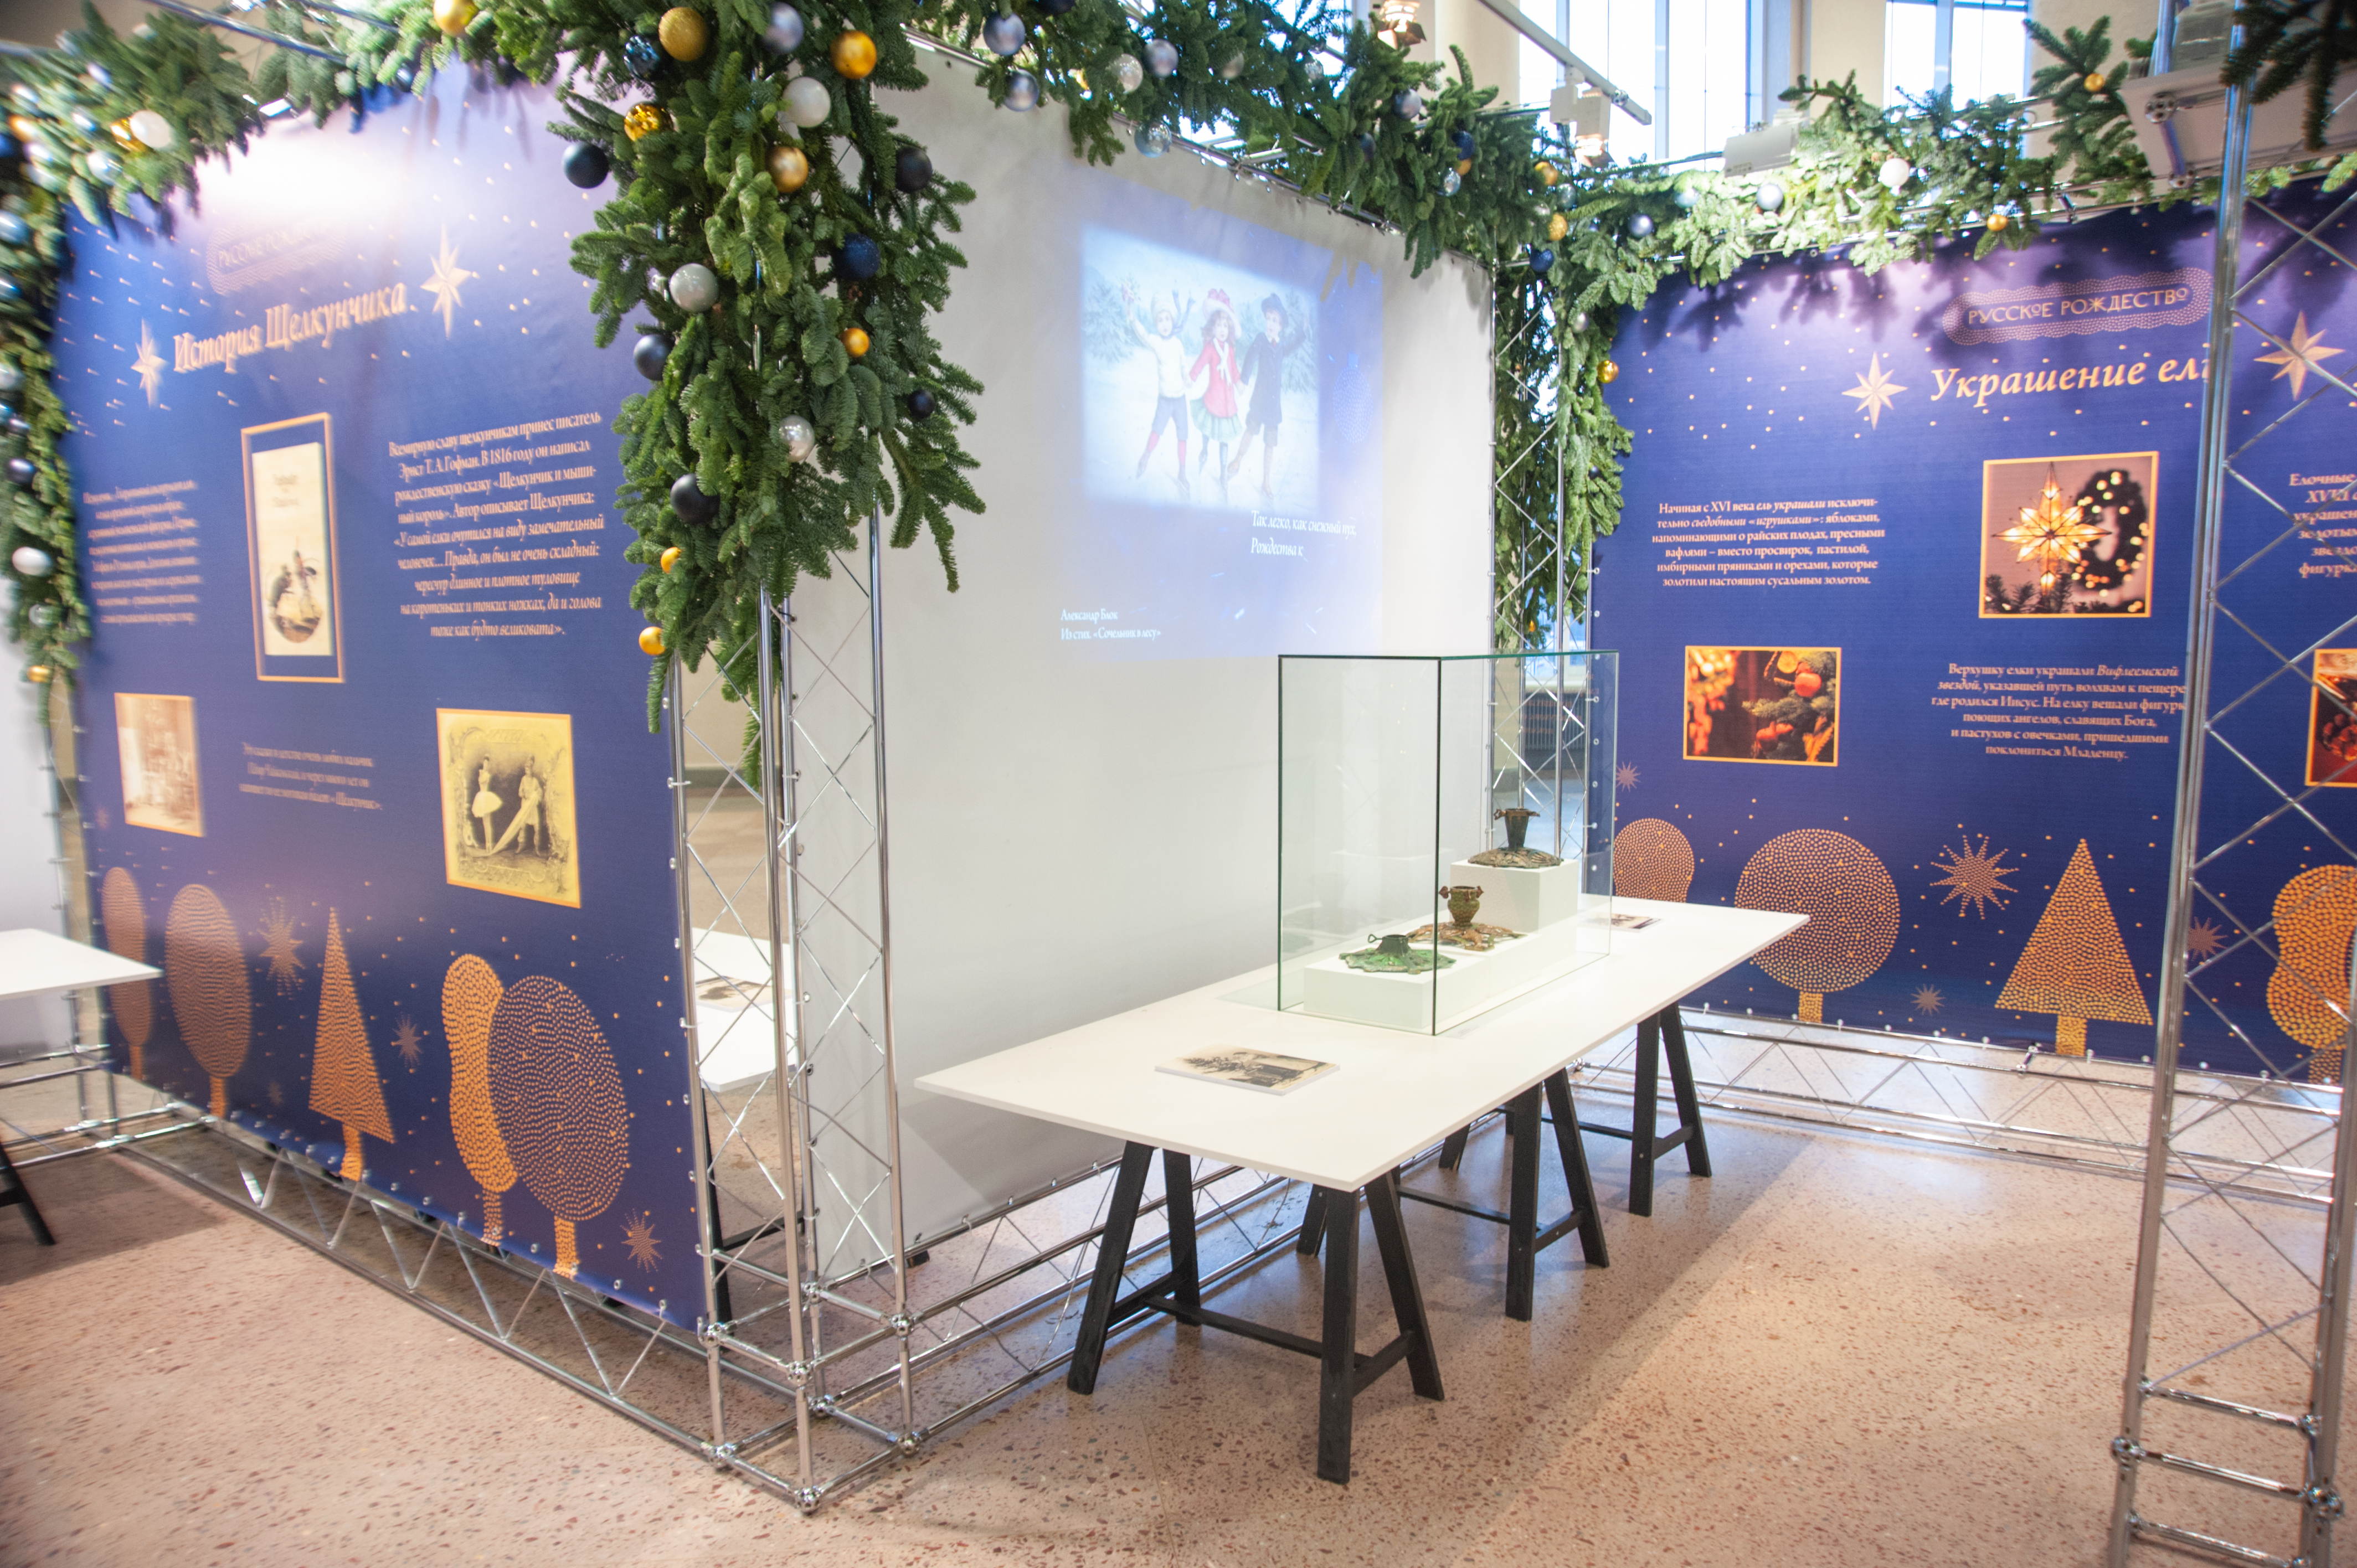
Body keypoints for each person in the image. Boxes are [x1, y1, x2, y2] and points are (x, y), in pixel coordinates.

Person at [1229, 295, 1305, 504]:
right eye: (1269, 319)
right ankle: (1237, 460)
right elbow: (1250, 358)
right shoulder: (1261, 340)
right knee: (1250, 430)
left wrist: (1303, 332)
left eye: (1275, 321)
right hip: (1260, 400)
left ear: (1281, 326)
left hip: (1273, 405)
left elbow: (1293, 345)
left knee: (1270, 443)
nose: (1271, 324)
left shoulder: (1281, 346)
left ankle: (1266, 482)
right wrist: (1244, 380)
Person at [1122, 283, 1195, 497]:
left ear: (1173, 321)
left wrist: (1187, 377)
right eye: (1160, 320)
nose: (1164, 324)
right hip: (1165, 400)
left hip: (1180, 399)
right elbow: (1142, 333)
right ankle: (1145, 457)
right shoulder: (1156, 342)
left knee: (1183, 436)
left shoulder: (1178, 344)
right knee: (1157, 430)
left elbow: (1183, 365)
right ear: (1156, 323)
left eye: (1168, 319)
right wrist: (1131, 312)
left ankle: (1182, 472)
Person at [1188, 292, 1243, 502]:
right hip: (1213, 401)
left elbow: (1234, 370)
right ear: (1213, 327)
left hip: (1228, 405)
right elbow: (1200, 364)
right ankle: (1204, 451)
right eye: (1219, 325)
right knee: (1208, 431)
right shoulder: (1211, 348)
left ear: (1229, 330)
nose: (1222, 330)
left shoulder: (1230, 350)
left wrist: (1239, 383)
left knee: (1224, 440)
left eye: (1226, 326)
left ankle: (1223, 474)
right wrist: (1191, 377)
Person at [470, 761, 502, 852]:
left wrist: (482, 773)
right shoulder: (482, 773)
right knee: (485, 823)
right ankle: (487, 844)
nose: (485, 765)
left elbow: (482, 781)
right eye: (484, 764)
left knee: (488, 823)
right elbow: (480, 781)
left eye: (487, 764)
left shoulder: (487, 775)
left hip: (486, 798)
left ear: (489, 766)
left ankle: (490, 844)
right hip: (481, 798)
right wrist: (481, 773)